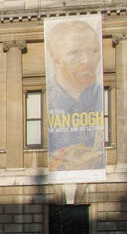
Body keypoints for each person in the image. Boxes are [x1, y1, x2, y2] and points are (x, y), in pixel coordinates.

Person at [44, 17, 105, 172]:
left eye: (93, 51)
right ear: (56, 60)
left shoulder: (98, 92)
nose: (87, 60)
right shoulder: (51, 95)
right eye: (75, 53)